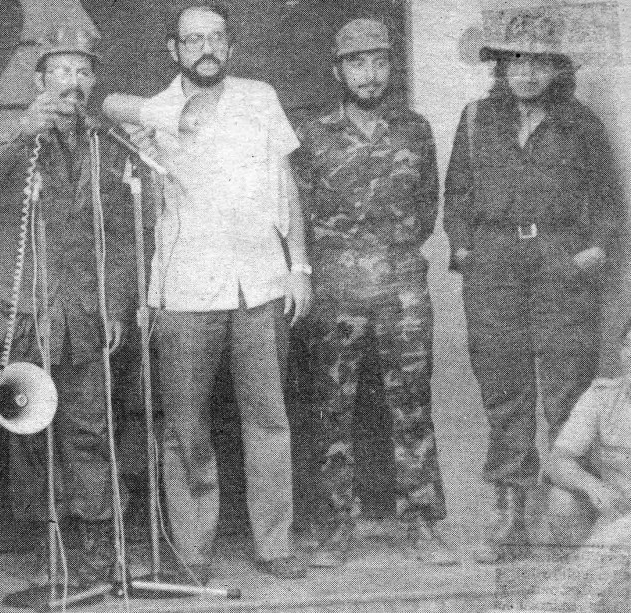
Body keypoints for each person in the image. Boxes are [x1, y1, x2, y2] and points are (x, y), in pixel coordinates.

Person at [0, 27, 134, 587]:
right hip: (17, 315)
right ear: (39, 79)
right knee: (28, 437)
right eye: (60, 71)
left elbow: (122, 236)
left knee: (89, 432)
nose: (72, 82)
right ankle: (45, 547)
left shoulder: (105, 142)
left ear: (94, 81)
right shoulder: (14, 136)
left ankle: (95, 545)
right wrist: (21, 128)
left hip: (83, 319)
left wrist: (116, 305)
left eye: (83, 71)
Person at [134, 1, 312, 582]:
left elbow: (285, 187)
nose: (206, 49)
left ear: (230, 46)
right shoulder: (152, 112)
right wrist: (149, 296)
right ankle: (192, 551)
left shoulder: (260, 98)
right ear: (174, 50)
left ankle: (275, 544)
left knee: (268, 416)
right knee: (186, 423)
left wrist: (300, 267)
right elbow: (145, 206)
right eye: (193, 40)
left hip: (260, 283)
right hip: (185, 288)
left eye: (215, 38)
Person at [444, 10, 623, 564]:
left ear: (556, 68)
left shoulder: (581, 124)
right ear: (500, 67)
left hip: (559, 265)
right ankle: (511, 516)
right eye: (514, 61)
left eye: (538, 62)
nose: (526, 73)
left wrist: (592, 251)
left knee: (567, 389)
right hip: (494, 265)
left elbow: (609, 203)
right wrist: (466, 248)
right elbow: (456, 195)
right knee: (504, 389)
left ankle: (568, 515)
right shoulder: (476, 119)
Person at [294, 18, 454, 567]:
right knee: (331, 408)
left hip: (401, 284)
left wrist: (388, 252)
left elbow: (427, 207)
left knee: (411, 404)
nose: (370, 73)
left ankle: (421, 521)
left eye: (379, 61)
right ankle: (334, 526)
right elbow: (299, 212)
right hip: (336, 287)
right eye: (357, 62)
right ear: (338, 70)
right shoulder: (312, 134)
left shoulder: (414, 129)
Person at [517, 320, 631, 611]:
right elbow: (557, 461)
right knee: (563, 501)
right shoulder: (603, 397)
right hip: (617, 514)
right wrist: (593, 486)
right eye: (628, 345)